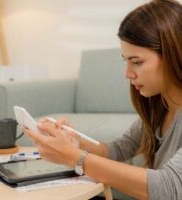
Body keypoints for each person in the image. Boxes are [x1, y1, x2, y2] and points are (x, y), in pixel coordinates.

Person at [24, 0, 182, 199]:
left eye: (137, 62)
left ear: (174, 54)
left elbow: (169, 188)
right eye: (126, 61)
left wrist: (75, 158)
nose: (127, 73)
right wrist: (76, 141)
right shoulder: (159, 108)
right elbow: (116, 150)